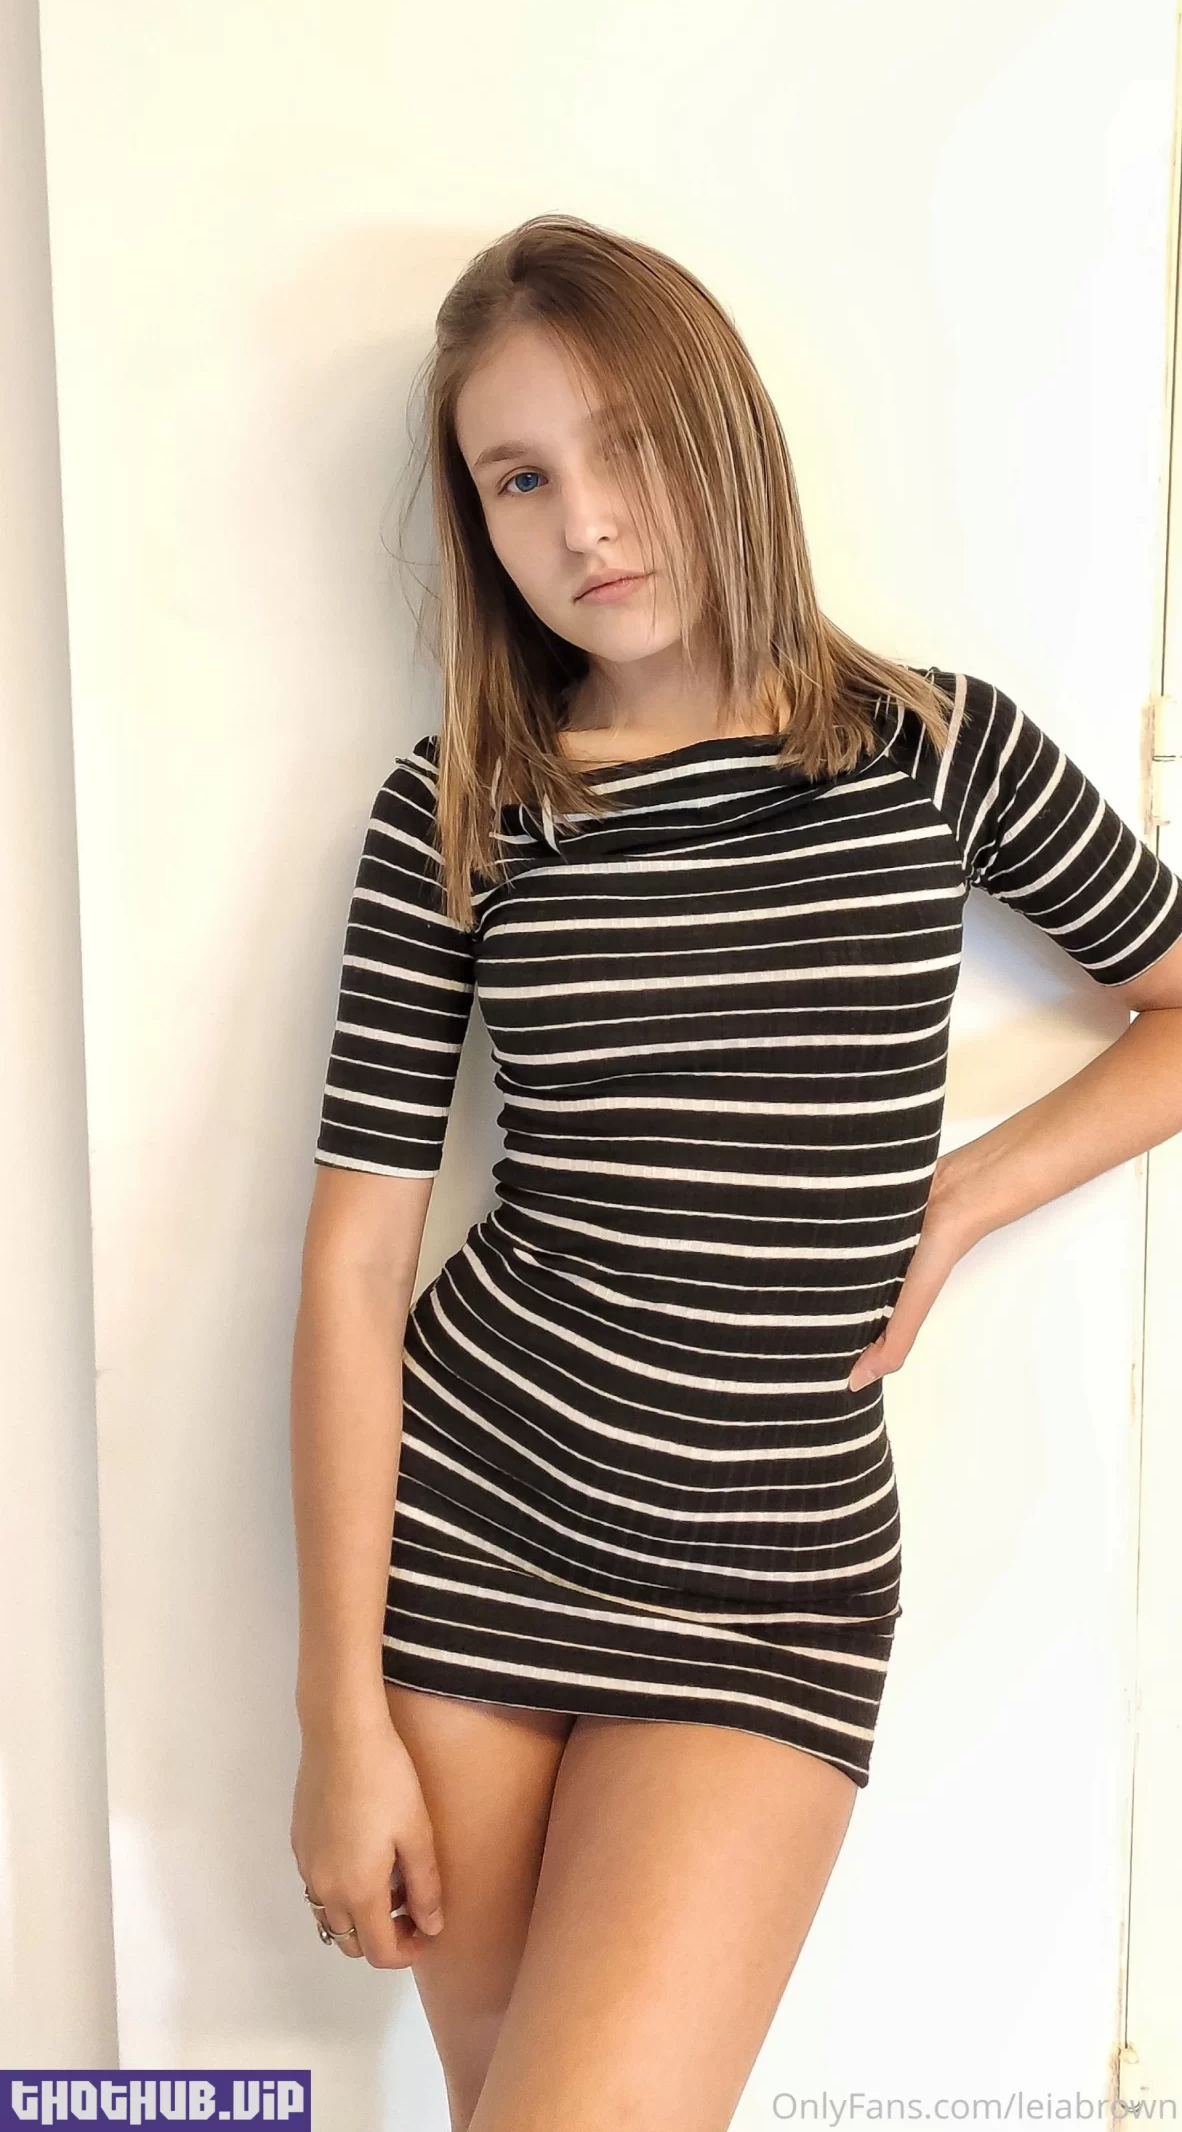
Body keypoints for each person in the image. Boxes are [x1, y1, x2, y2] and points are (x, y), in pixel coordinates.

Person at [289, 212, 1182, 2132]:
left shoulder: (932, 749)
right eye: (520, 476)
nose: (585, 521)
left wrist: (960, 1196)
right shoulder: (462, 805)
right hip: (476, 1529)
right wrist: (333, 1717)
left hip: (770, 1573)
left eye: (624, 446)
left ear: (726, 434)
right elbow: (356, 1271)